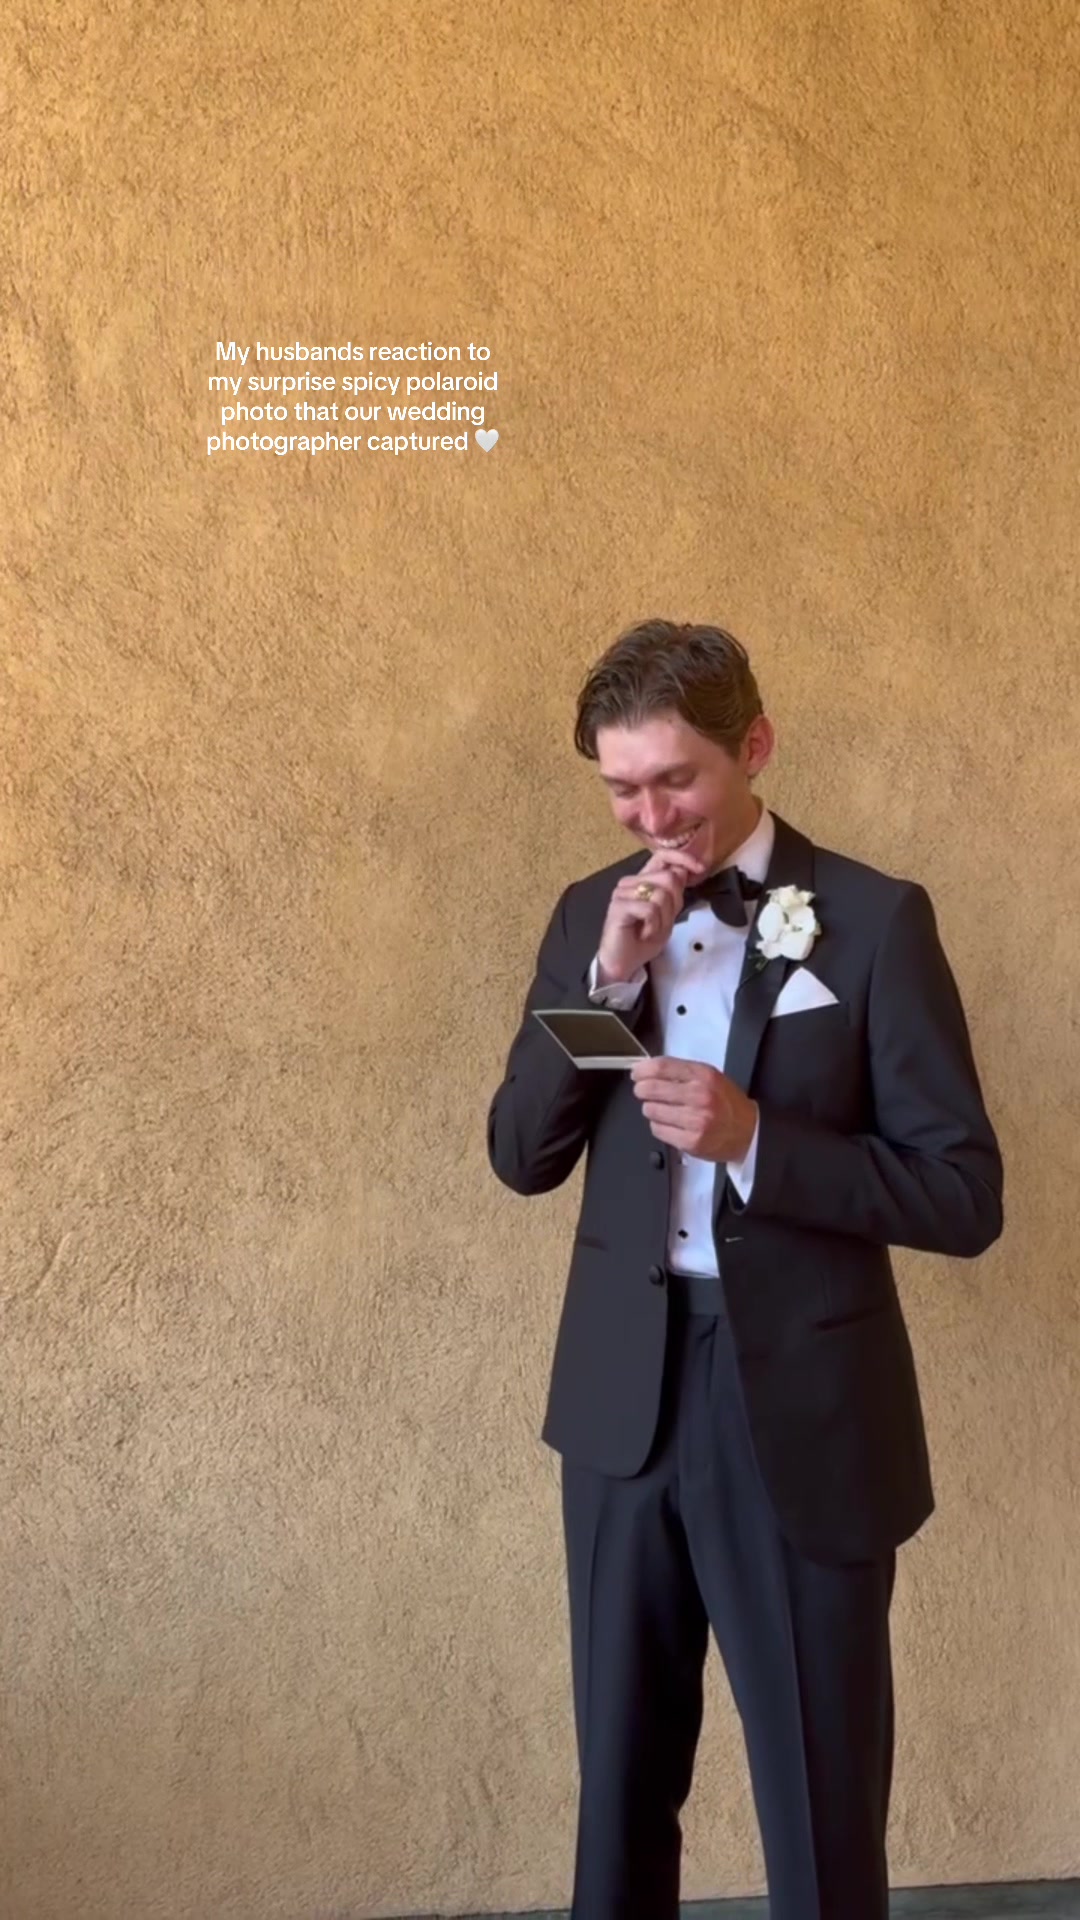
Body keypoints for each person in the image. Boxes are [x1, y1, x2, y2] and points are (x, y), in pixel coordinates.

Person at [486, 620, 1004, 1920]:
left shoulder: (876, 921)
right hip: (622, 1408)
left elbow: (962, 1194)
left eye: (678, 780)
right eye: (623, 789)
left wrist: (760, 1141)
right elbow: (520, 1154)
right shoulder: (586, 920)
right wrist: (608, 983)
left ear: (755, 745)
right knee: (617, 1807)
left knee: (821, 1817)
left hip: (806, 1416)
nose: (652, 816)